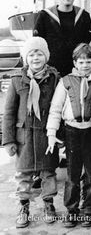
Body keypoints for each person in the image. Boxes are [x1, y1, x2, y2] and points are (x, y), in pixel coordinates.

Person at [2, 37, 59, 228]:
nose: (36, 57)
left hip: (46, 136)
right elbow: (9, 112)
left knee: (48, 172)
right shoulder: (17, 80)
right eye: (32, 54)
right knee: (23, 174)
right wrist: (8, 140)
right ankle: (24, 206)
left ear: (46, 56)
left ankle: (49, 204)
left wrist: (61, 137)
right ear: (26, 58)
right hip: (24, 137)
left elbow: (60, 107)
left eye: (40, 53)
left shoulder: (54, 79)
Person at [46, 43, 91, 228]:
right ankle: (71, 209)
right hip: (72, 131)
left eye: (89, 61)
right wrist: (52, 133)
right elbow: (55, 109)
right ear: (75, 62)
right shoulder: (66, 81)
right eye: (81, 61)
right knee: (73, 172)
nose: (85, 65)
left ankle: (89, 208)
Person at [34, 0, 91, 77]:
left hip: (78, 70)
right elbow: (37, 44)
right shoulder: (44, 16)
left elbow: (89, 44)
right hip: (51, 71)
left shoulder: (84, 16)